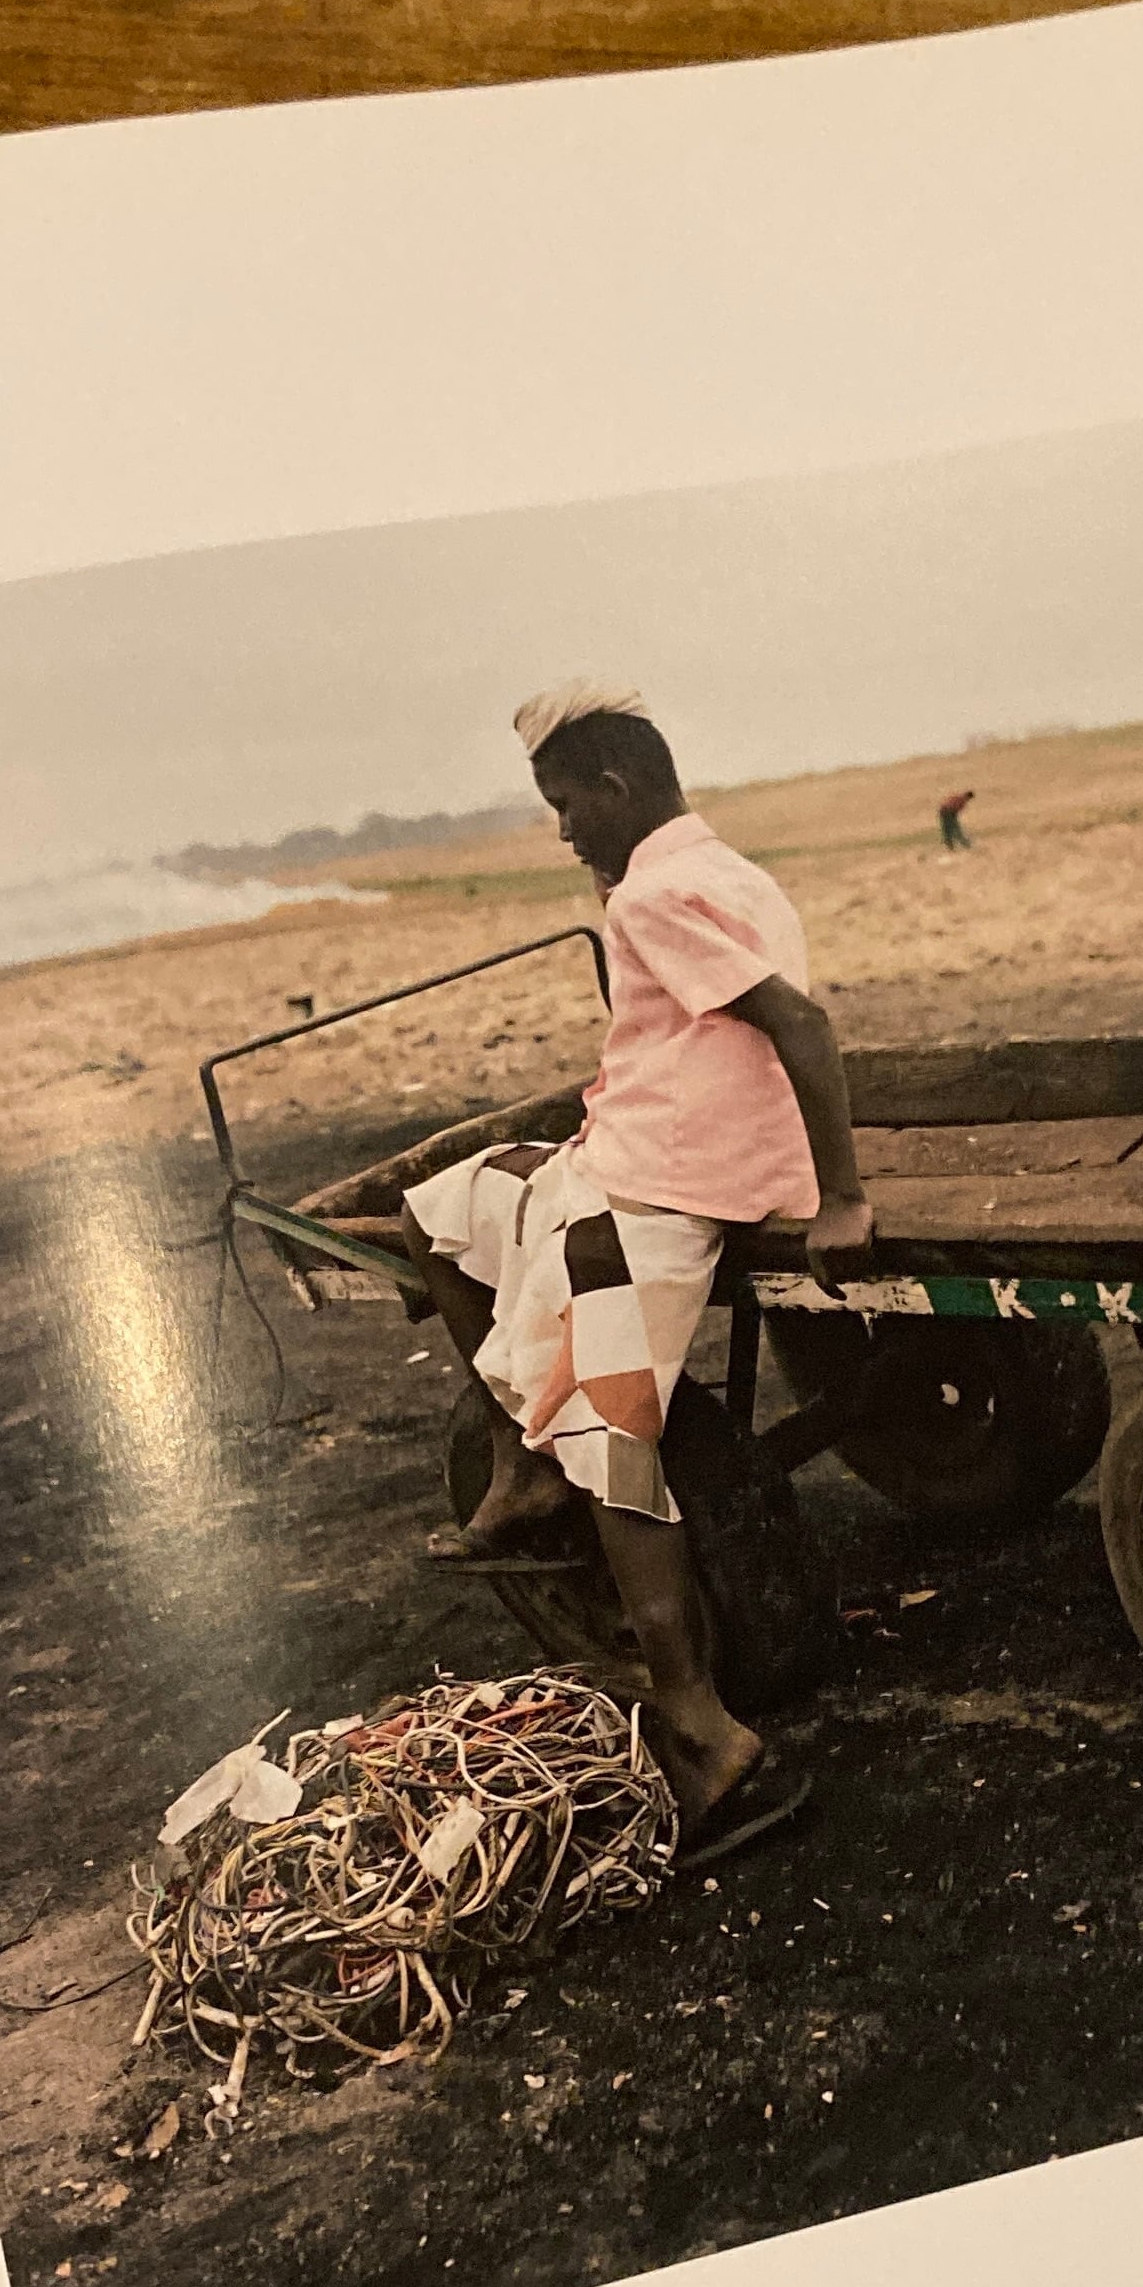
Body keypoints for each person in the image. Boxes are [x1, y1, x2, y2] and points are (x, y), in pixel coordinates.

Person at [401, 680, 874, 1863]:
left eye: (567, 806)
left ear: (615, 790)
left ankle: (704, 1729)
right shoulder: (723, 868)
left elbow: (803, 1027)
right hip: (648, 1154)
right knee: (442, 1207)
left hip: (663, 1191)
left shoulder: (653, 897)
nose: (563, 832)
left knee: (613, 1431)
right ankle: (521, 1455)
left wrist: (844, 1198)